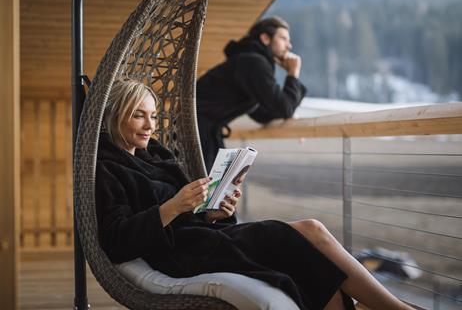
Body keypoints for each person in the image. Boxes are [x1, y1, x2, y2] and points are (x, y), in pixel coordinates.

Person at [96, 79, 414, 310]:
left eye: (153, 115)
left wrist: (215, 211)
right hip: (181, 252)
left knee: (311, 236)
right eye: (139, 115)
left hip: (205, 234)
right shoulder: (108, 168)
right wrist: (173, 207)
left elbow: (191, 213)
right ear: (115, 116)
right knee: (307, 233)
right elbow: (115, 240)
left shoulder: (156, 154)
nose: (150, 125)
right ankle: (397, 309)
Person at [197, 16, 307, 171]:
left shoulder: (247, 59)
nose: (289, 45)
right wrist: (293, 73)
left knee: (211, 189)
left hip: (199, 131)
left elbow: (260, 113)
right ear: (265, 38)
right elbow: (282, 107)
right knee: (206, 190)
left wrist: (286, 113)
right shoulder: (254, 62)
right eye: (283, 38)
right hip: (197, 133)